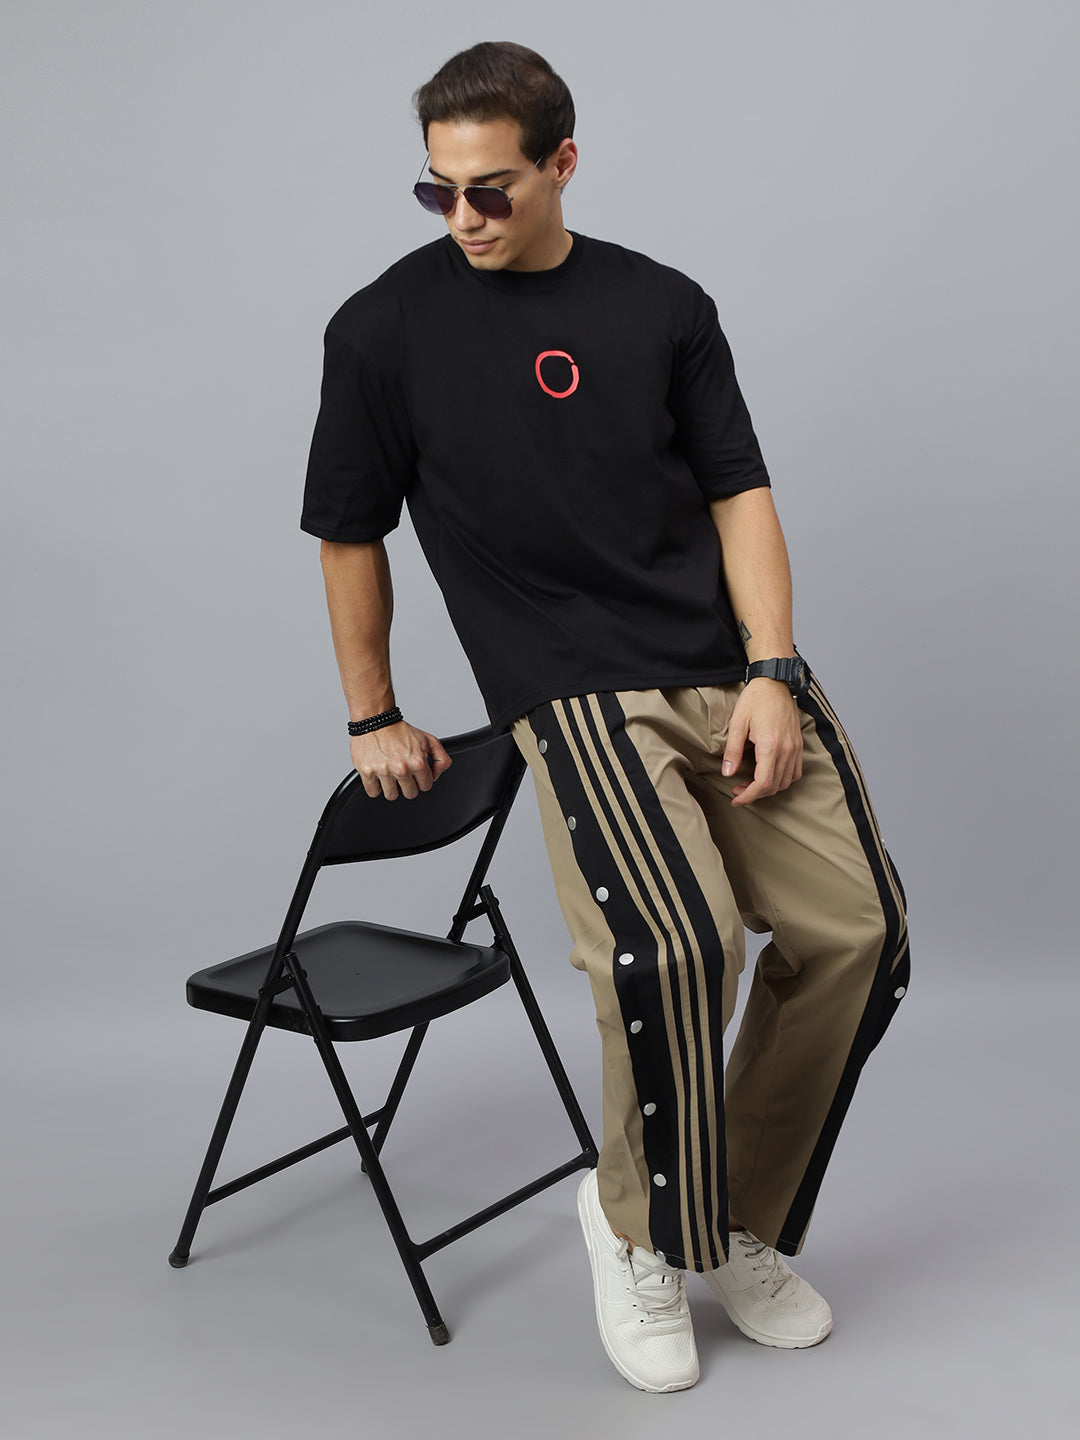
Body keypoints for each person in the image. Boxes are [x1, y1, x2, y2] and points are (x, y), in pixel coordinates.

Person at [301, 41, 909, 1393]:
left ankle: (727, 1214)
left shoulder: (662, 306)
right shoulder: (383, 331)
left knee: (861, 935)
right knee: (675, 946)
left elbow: (739, 493)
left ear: (563, 164)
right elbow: (348, 532)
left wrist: (773, 669)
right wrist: (371, 712)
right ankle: (638, 1227)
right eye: (439, 190)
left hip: (727, 668)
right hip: (573, 685)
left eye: (492, 189)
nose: (464, 216)